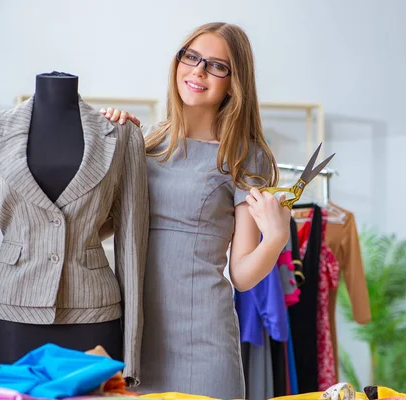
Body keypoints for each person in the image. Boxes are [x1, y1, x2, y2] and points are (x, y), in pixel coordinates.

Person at [99, 22, 291, 399]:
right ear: (178, 63)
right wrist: (107, 145)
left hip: (203, 343)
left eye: (217, 65)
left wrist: (277, 238)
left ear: (234, 82)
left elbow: (242, 275)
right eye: (191, 57)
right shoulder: (144, 140)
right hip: (132, 338)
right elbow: (100, 228)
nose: (198, 71)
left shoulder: (244, 156)